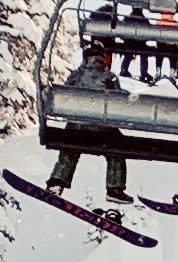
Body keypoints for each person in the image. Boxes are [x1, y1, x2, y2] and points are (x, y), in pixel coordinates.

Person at [46, 37, 132, 206]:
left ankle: (57, 182)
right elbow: (119, 103)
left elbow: (65, 98)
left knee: (69, 148)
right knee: (117, 150)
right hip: (103, 131)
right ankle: (115, 188)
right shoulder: (109, 78)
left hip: (77, 128)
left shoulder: (76, 76)